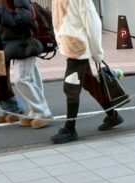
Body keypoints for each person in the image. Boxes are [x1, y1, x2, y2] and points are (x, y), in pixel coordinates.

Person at [50, 0, 124, 144]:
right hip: (71, 45)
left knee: (70, 87)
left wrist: (97, 53)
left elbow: (93, 23)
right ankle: (112, 115)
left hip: (78, 48)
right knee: (90, 84)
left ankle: (70, 128)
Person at [0, 0, 53, 129]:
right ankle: (35, 111)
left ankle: (42, 112)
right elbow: (2, 18)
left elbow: (23, 18)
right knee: (30, 79)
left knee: (21, 79)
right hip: (18, 45)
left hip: (25, 44)